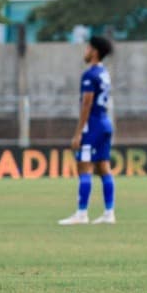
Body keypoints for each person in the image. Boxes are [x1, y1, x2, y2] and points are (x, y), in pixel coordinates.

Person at [58, 36, 116, 225]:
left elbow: (87, 103)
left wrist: (78, 132)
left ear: (95, 52)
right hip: (105, 122)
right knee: (104, 167)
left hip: (93, 125)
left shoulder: (90, 75)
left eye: (88, 48)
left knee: (84, 166)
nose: (85, 51)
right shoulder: (104, 73)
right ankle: (109, 213)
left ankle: (81, 214)